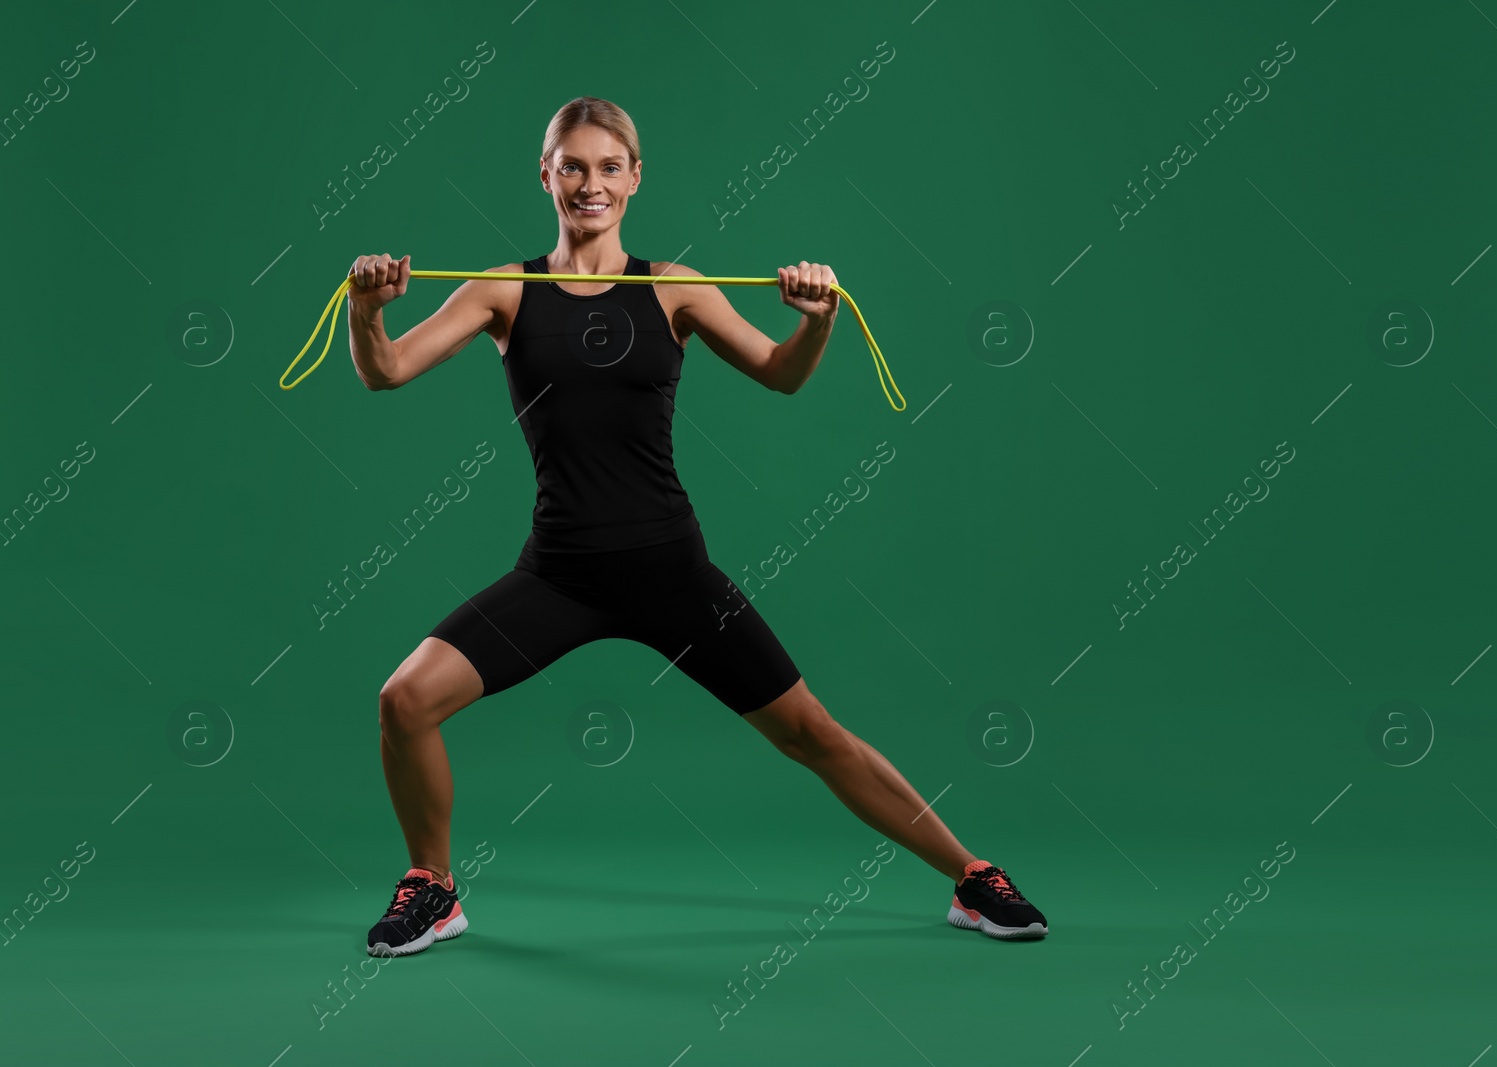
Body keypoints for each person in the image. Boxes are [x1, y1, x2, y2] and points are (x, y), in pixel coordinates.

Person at [353, 96, 1047, 956]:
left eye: (610, 167)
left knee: (812, 733)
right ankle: (434, 887)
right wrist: (367, 309)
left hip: (672, 573)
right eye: (572, 165)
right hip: (558, 575)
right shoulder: (504, 289)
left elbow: (779, 374)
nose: (590, 183)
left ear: (635, 178)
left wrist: (817, 322)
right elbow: (384, 372)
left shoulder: (675, 286)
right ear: (546, 175)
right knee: (404, 700)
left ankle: (972, 876)